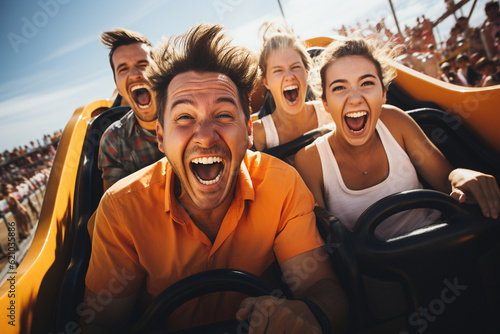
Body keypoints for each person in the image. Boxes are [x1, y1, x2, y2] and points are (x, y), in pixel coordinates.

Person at [81, 23, 348, 333]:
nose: (206, 138)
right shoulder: (121, 210)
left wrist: (308, 314)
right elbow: (99, 324)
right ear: (162, 136)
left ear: (248, 130)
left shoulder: (282, 184)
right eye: (184, 118)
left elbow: (324, 291)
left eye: (223, 115)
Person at [294, 37, 500, 240]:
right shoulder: (310, 160)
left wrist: (461, 176)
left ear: (383, 94)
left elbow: (447, 181)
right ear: (326, 103)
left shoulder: (395, 121)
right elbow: (325, 244)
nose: (355, 99)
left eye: (366, 83)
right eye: (339, 87)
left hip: (439, 242)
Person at [252, 23, 333, 158]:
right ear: (266, 82)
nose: (289, 76)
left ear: (306, 73)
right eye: (278, 70)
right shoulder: (258, 135)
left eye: (295, 67)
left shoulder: (330, 113)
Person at [98, 28, 164, 191]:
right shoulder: (114, 140)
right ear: (117, 88)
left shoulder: (192, 116)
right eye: (123, 69)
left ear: (160, 73)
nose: (135, 74)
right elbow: (116, 208)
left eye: (143, 64)